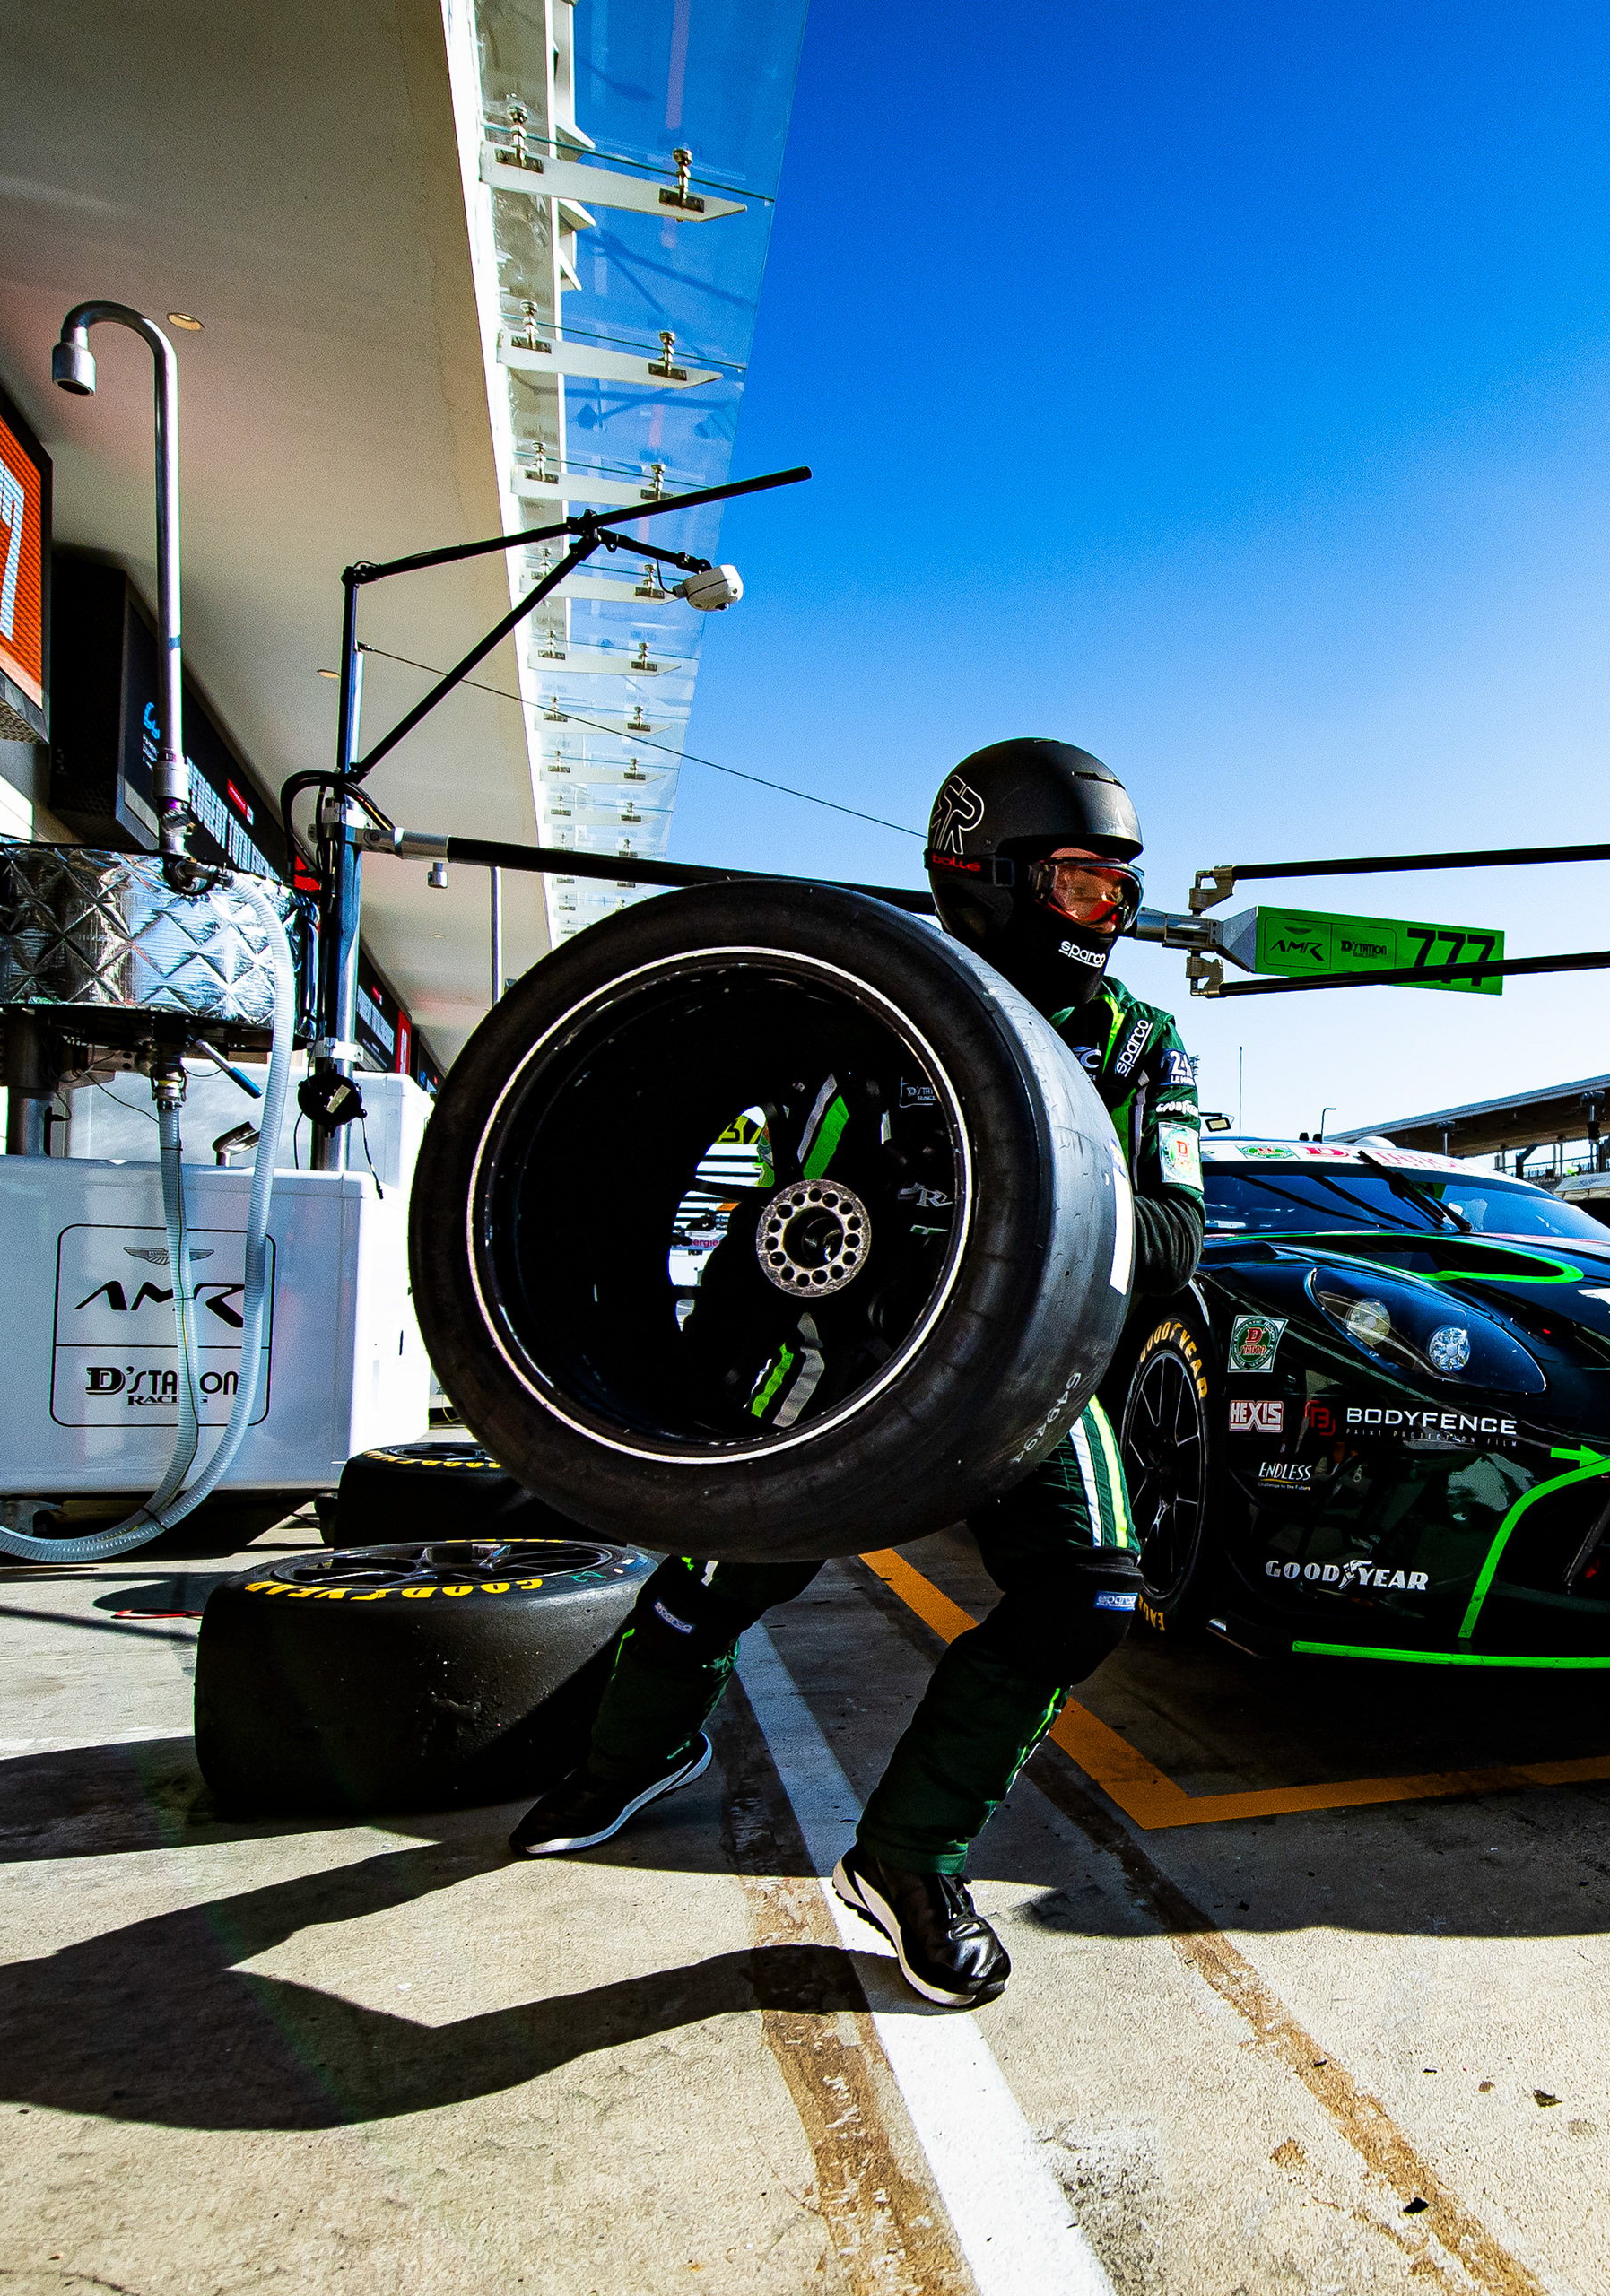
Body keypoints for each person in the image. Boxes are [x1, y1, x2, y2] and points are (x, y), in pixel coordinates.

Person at [510, 738, 1204, 2006]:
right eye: (1082, 885)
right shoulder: (868, 1003)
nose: (1114, 914)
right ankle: (631, 1758)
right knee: (721, 1570)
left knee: (1090, 1593)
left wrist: (1012, 1238)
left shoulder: (1143, 1044)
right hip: (847, 1356)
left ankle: (910, 1859)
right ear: (987, 875)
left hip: (1034, 1368)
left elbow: (1173, 1238)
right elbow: (804, 1207)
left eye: (1122, 888)